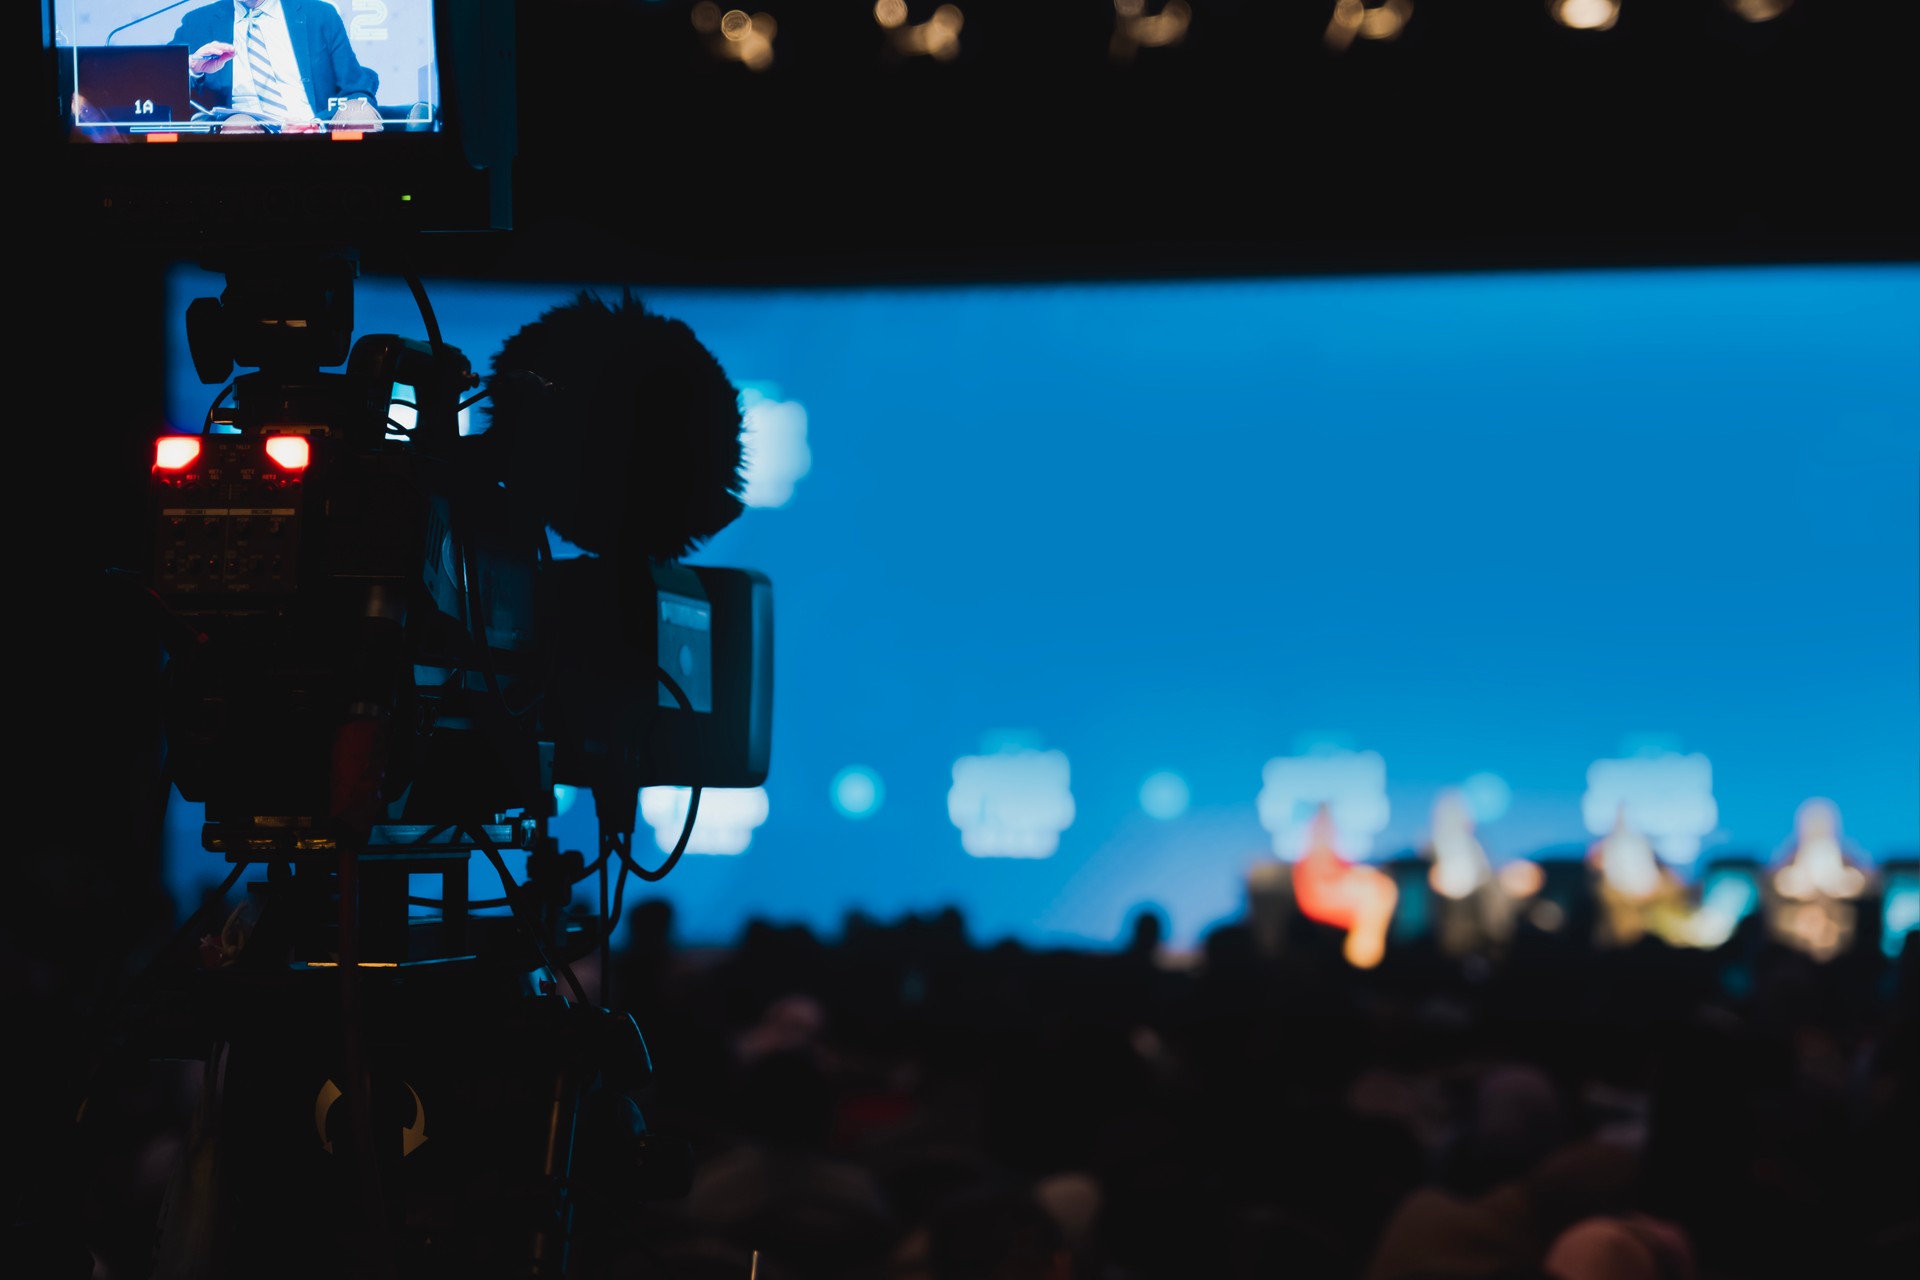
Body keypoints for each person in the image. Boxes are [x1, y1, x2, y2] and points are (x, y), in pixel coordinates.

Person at [171, 0, 382, 134]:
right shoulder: (197, 22)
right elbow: (162, 91)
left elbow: (358, 89)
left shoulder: (320, 15)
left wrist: (316, 123)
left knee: (358, 111)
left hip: (318, 124)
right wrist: (193, 70)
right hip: (246, 128)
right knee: (239, 126)